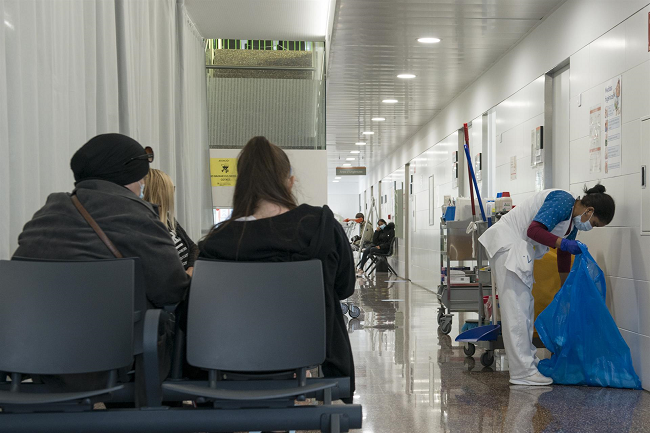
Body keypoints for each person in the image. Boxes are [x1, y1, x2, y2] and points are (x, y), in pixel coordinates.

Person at [13, 133, 191, 393]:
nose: (143, 183)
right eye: (141, 176)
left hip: (34, 353)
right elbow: (171, 289)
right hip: (114, 355)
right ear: (129, 177)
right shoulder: (135, 215)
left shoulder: (47, 213)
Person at [198, 136, 356, 400]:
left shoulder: (217, 242)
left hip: (230, 357)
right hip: (309, 350)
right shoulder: (322, 226)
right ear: (290, 181)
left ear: (242, 183)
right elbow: (344, 288)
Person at [478, 185, 615, 386]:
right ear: (589, 211)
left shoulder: (573, 222)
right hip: (509, 244)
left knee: (525, 307)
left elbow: (563, 253)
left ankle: (528, 363)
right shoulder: (563, 201)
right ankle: (521, 372)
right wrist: (563, 243)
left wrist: (564, 287)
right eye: (593, 223)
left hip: (517, 247)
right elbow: (533, 230)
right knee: (517, 309)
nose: (590, 227)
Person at [143, 168, 198, 275]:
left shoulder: (167, 218)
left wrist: (190, 269)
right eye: (171, 189)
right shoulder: (148, 224)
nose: (172, 194)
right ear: (162, 193)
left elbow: (193, 247)